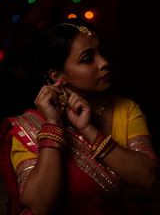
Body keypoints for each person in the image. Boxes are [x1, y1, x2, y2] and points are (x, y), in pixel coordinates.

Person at [0, 18, 159, 215]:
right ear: (58, 76)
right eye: (87, 59)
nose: (104, 63)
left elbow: (148, 177)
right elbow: (41, 206)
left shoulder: (126, 109)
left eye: (101, 52)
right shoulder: (27, 126)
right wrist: (52, 124)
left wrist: (89, 130)